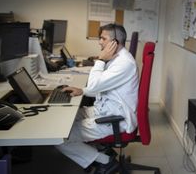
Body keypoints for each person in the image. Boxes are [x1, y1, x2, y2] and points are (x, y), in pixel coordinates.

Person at [56, 24, 139, 174]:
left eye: (103, 38)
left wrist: (100, 60)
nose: (99, 42)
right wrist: (82, 90)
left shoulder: (124, 63)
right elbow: (102, 87)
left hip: (114, 118)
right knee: (65, 120)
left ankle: (106, 162)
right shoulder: (117, 59)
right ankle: (103, 154)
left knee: (59, 136)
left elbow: (94, 85)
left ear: (115, 42)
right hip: (105, 110)